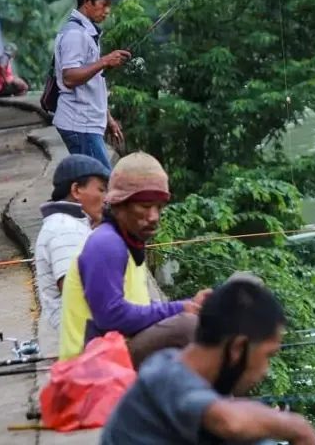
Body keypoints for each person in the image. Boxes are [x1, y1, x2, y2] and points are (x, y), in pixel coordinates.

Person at [100, 278, 315, 445]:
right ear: (237, 348)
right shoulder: (166, 374)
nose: (265, 371)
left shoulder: (179, 376)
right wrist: (296, 426)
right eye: (267, 356)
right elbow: (228, 421)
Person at [59, 151, 209, 368]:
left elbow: (138, 307)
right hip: (90, 368)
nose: (154, 217)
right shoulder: (106, 244)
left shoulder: (128, 243)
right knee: (187, 327)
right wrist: (179, 309)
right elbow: (111, 317)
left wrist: (191, 304)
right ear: (119, 205)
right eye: (145, 207)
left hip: (112, 354)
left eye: (159, 207)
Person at [52, 0, 132, 170]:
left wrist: (108, 118)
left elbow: (91, 83)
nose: (107, 11)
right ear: (87, 2)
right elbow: (69, 77)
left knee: (92, 182)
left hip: (86, 122)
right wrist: (105, 61)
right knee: (104, 184)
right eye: (104, 4)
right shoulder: (75, 34)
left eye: (109, 5)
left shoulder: (86, 32)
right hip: (80, 124)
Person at [34, 154, 111, 334]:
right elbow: (74, 291)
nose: (106, 198)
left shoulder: (71, 223)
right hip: (77, 340)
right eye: (101, 190)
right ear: (76, 190)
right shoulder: (64, 229)